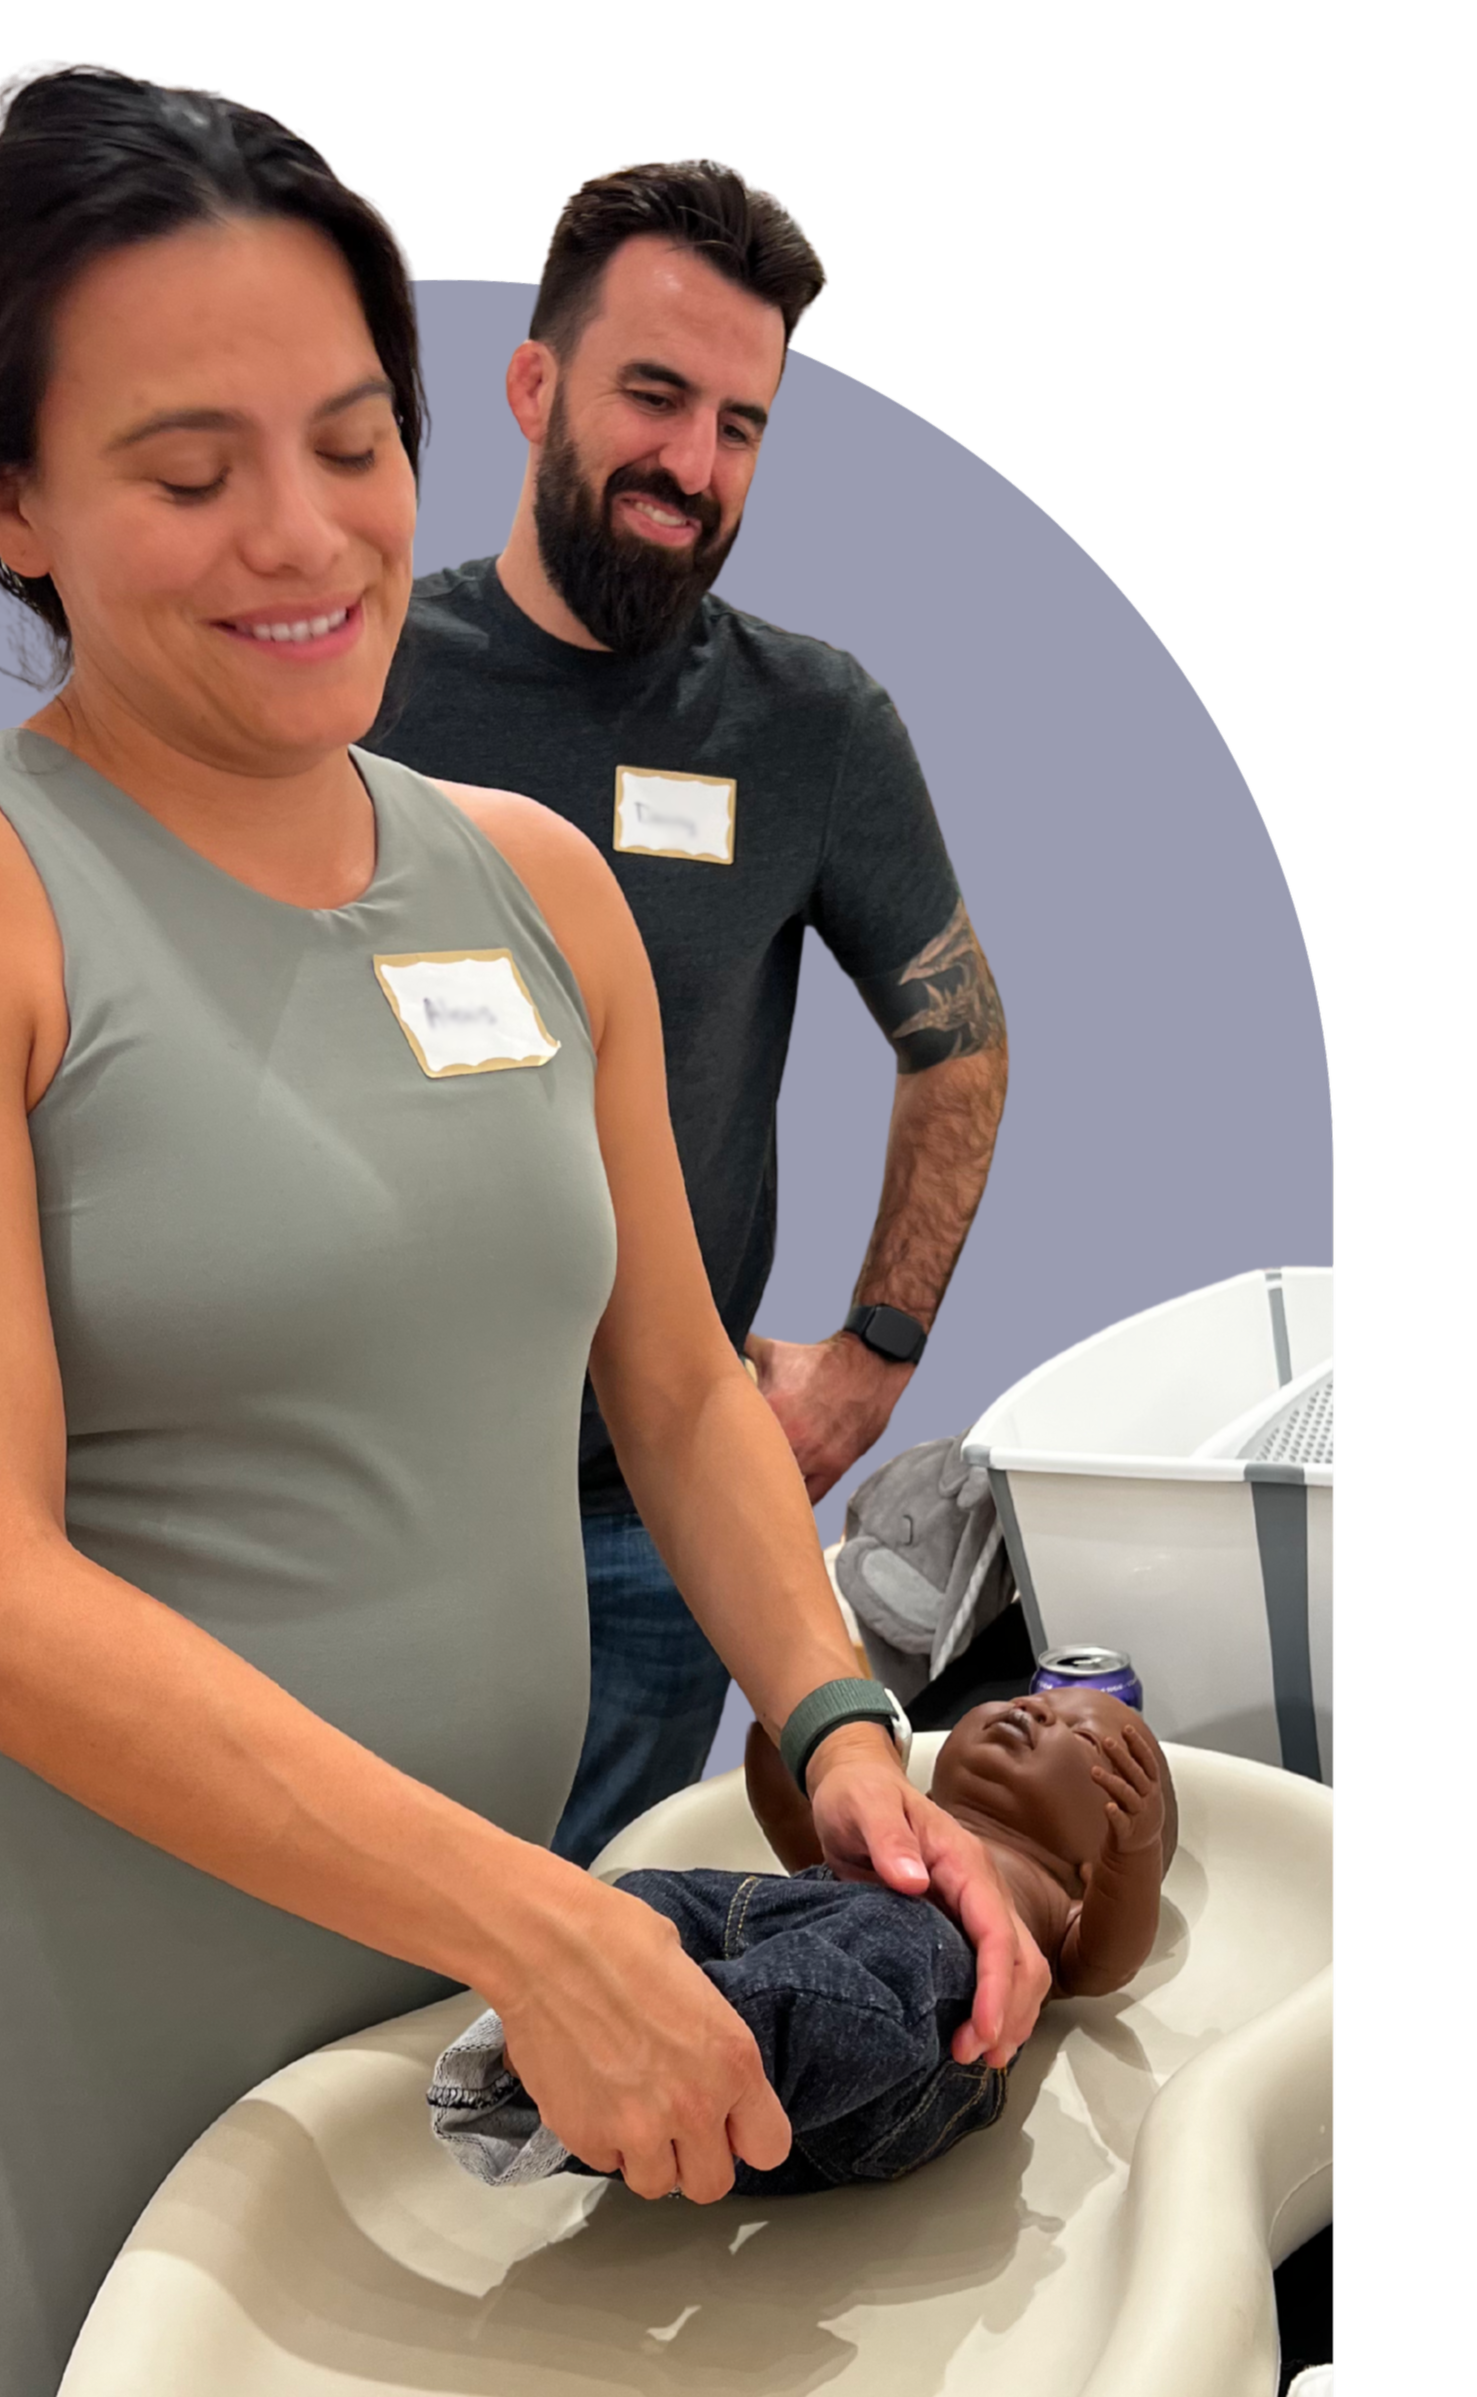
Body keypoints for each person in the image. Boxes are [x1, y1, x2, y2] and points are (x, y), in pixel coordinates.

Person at [0, 67, 1047, 2397]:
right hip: (63, 1989)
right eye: (185, 470)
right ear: (10, 506)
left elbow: (675, 1385)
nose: (300, 533)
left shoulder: (532, 885)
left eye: (348, 442)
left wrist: (839, 1730)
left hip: (414, 1960)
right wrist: (539, 1918)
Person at [373, 160, 1011, 1867]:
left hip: (654, 1526)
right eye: (652, 396)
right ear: (532, 386)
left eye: (740, 425)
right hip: (366, 1514)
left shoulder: (810, 726)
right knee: (346, 1983)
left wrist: (872, 1356)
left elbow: (960, 1039)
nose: (694, 465)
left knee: (599, 1954)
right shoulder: (354, 679)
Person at [433, 1686, 1171, 2194]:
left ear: (1090, 1865)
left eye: (1081, 1735)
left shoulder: (1054, 1908)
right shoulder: (897, 1824)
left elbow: (1110, 1957)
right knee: (645, 1901)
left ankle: (660, 2048)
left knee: (906, 1943)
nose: (1033, 1709)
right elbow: (798, 1831)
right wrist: (789, 1739)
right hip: (782, 2019)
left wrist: (1133, 1852)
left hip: (906, 2072)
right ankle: (536, 2071)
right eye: (1027, 1699)